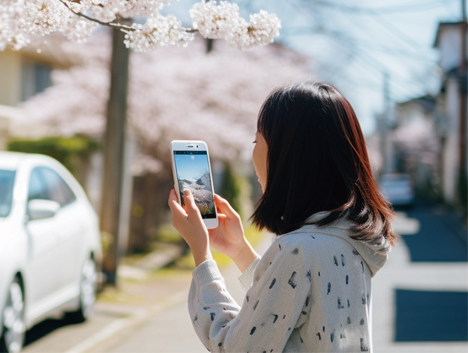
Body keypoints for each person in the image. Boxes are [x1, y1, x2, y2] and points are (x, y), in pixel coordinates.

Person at [169, 81, 395, 352]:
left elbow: (234, 346)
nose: (253, 154)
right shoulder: (347, 240)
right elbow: (291, 301)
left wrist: (202, 257)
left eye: (257, 141)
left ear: (288, 155)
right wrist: (239, 250)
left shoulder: (297, 250)